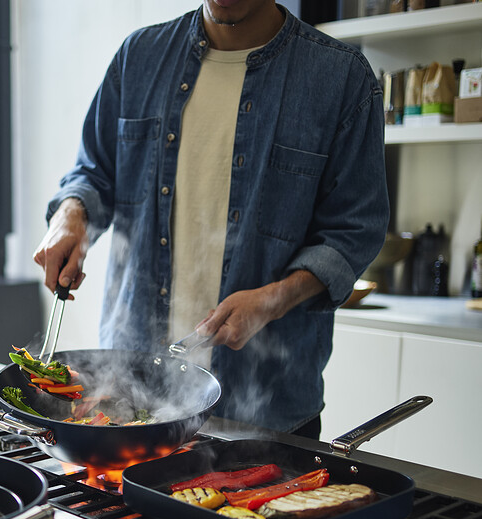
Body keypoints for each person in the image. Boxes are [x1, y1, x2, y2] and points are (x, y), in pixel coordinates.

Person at [33, 0, 388, 439]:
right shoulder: (139, 56)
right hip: (131, 403)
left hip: (264, 413)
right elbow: (93, 173)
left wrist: (272, 299)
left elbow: (355, 230)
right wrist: (71, 214)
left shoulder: (340, 78)